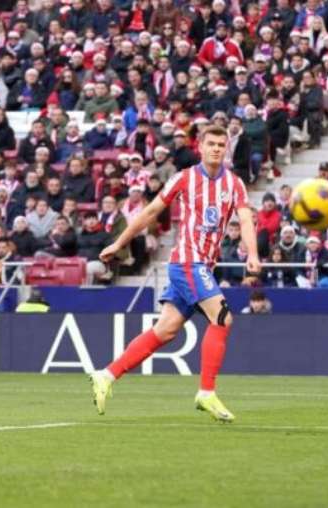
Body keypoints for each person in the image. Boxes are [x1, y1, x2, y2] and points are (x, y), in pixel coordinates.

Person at [90, 126, 260, 422]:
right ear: (200, 146)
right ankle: (206, 392)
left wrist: (253, 253)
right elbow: (149, 213)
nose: (217, 149)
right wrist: (119, 243)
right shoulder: (184, 178)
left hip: (203, 266)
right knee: (222, 318)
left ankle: (107, 374)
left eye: (222, 144)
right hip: (187, 262)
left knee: (166, 330)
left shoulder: (234, 184)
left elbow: (245, 220)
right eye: (212, 144)